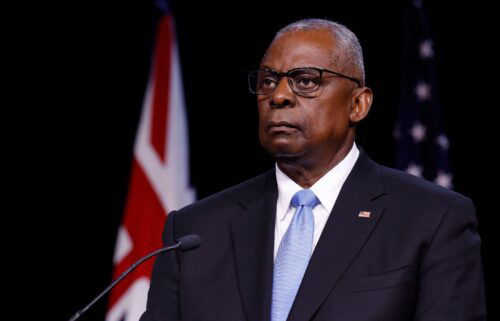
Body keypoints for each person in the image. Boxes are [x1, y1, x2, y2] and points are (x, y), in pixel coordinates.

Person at [140, 19, 486, 321]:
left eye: (305, 81)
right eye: (267, 81)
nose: (279, 96)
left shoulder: (432, 219)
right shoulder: (194, 232)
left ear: (358, 104)